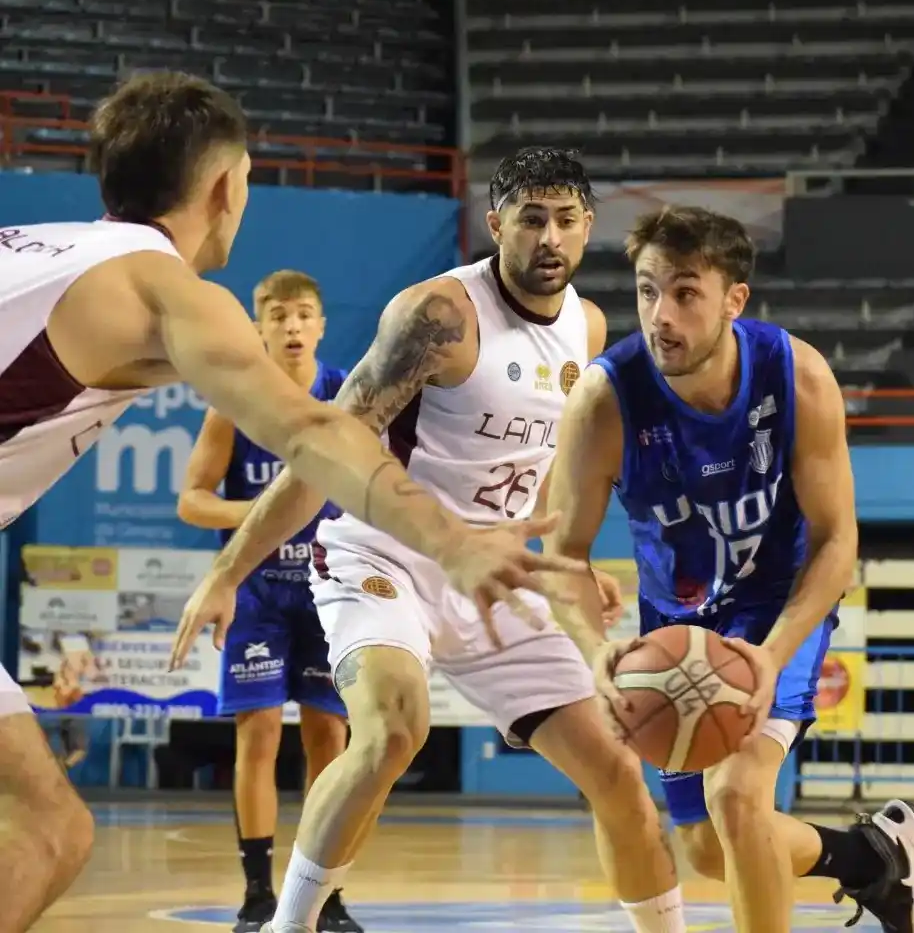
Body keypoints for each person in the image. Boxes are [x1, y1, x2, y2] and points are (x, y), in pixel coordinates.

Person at [0, 72, 582, 933]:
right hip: (325, 561)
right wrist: (454, 542)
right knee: (47, 830)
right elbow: (313, 434)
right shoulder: (170, 295)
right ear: (226, 185)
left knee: (50, 822)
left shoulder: (24, 241)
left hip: (296, 573)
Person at [172, 147, 688, 933]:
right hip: (384, 555)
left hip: (495, 568)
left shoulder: (587, 325)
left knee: (618, 771)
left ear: (588, 229)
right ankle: (289, 925)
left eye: (566, 221)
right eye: (530, 220)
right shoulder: (438, 316)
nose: (549, 238)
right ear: (495, 224)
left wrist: (560, 565)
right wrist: (230, 572)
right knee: (392, 729)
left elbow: (551, 475)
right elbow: (324, 449)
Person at [542, 205, 914, 933]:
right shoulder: (605, 398)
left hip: (774, 610)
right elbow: (562, 554)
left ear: (733, 300)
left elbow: (837, 539)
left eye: (685, 292)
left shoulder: (796, 376)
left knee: (736, 799)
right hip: (675, 630)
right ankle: (870, 858)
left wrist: (771, 653)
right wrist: (595, 646)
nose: (661, 314)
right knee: (709, 849)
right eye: (647, 290)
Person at [177, 270, 358, 932]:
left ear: (320, 325)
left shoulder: (346, 396)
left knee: (329, 740)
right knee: (255, 736)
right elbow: (191, 500)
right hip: (257, 592)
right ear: (259, 326)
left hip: (328, 589)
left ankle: (325, 894)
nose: (290, 326)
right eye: (278, 315)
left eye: (302, 314)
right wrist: (261, 513)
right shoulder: (234, 401)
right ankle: (257, 893)